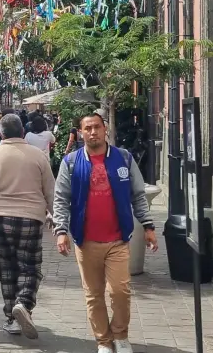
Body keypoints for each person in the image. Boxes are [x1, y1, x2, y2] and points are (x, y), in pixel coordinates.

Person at [53, 112, 158, 353]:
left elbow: (138, 195)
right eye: (87, 128)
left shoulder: (123, 158)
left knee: (120, 291)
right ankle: (103, 341)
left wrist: (149, 226)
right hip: (86, 241)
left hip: (118, 240)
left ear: (105, 129)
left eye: (97, 127)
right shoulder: (70, 162)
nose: (93, 132)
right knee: (94, 295)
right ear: (81, 132)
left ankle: (120, 335)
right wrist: (61, 230)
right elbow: (61, 199)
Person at [0, 114, 56, 340]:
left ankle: (12, 317)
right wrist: (57, 219)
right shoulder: (38, 156)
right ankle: (24, 304)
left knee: (6, 269)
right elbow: (50, 190)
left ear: (1, 134)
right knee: (30, 266)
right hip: (31, 218)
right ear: (22, 131)